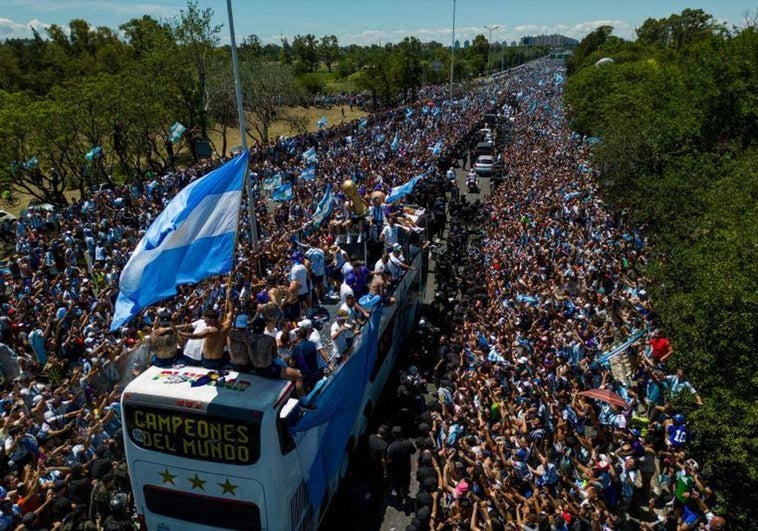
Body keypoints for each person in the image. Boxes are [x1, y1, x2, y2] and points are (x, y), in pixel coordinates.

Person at [175, 299, 234, 370]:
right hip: (219, 361)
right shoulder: (226, 327)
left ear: (212, 320)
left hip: (207, 363)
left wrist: (181, 333)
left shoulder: (209, 330)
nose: (204, 322)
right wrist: (229, 296)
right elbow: (231, 312)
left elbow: (196, 336)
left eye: (206, 320)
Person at [386, 425, 416, 505]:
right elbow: (413, 451)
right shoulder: (408, 443)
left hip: (396, 469)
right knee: (406, 481)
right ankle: (405, 495)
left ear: (394, 434)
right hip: (406, 467)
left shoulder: (392, 446)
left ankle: (399, 496)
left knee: (397, 483)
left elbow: (388, 460)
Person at [367, 425, 389, 503]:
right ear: (385, 434)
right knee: (377, 481)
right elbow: (382, 459)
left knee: (370, 478)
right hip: (377, 466)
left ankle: (369, 492)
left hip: (370, 462)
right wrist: (385, 470)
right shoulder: (384, 445)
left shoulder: (371, 437)